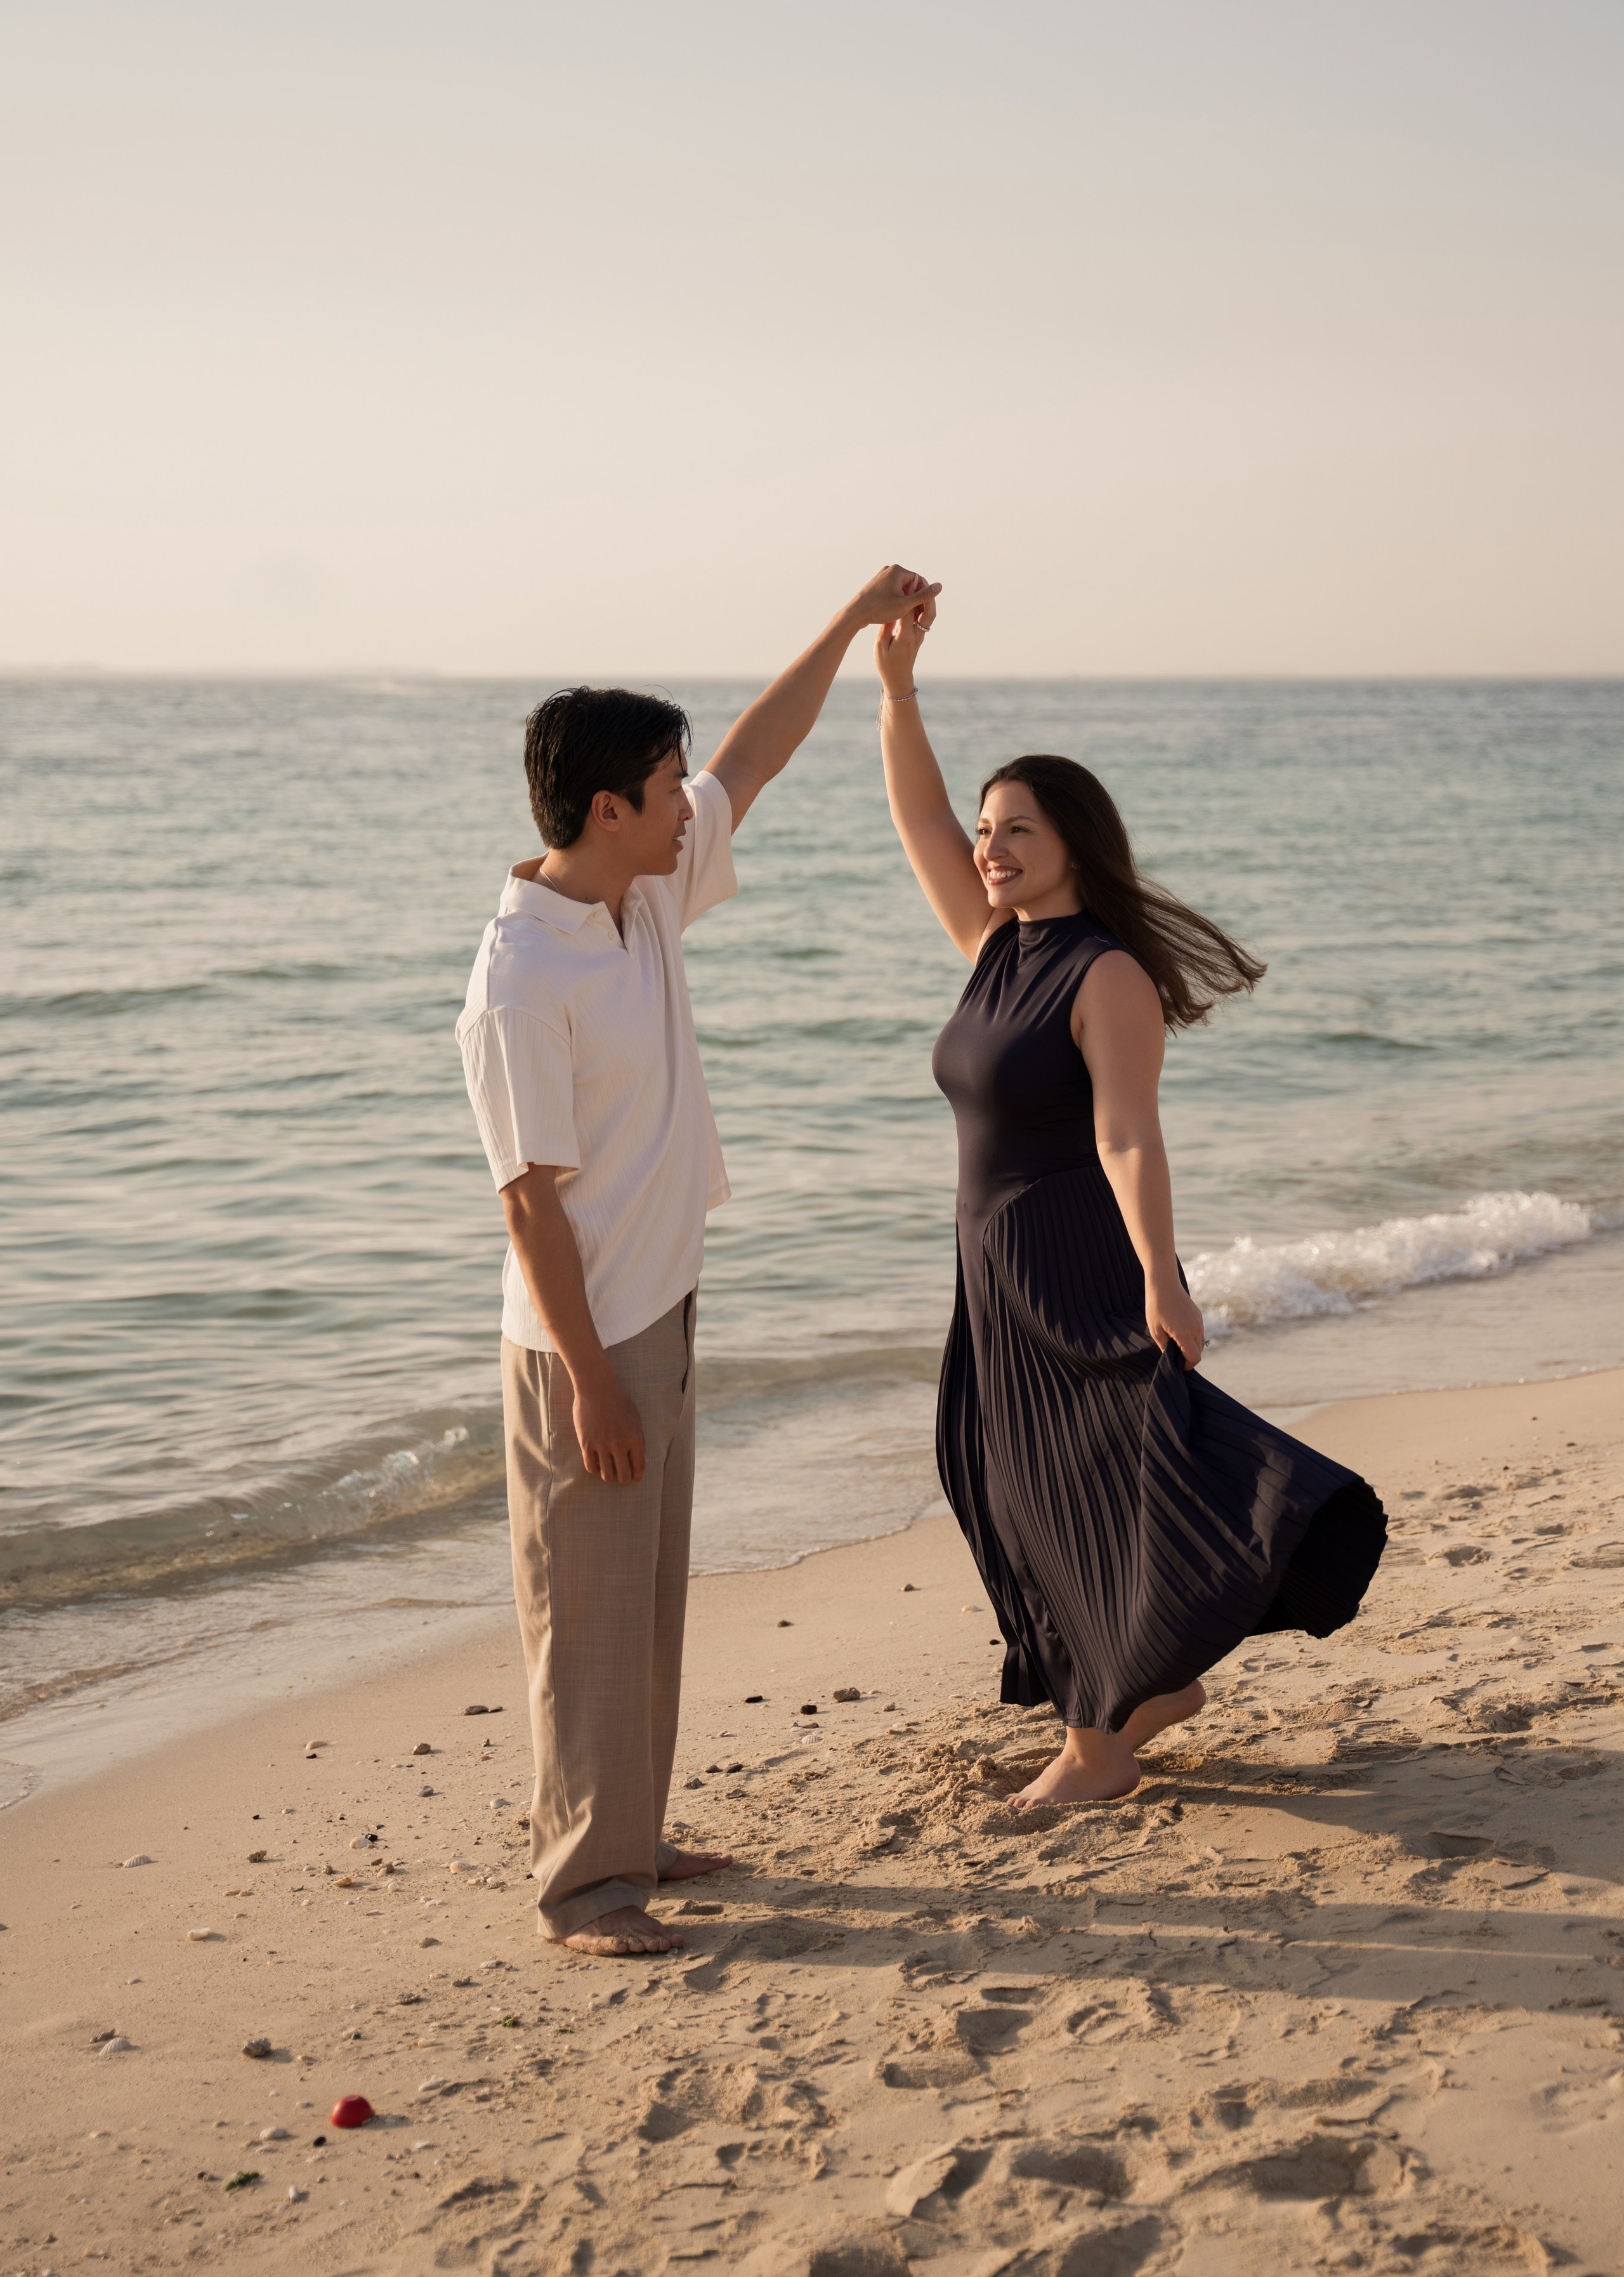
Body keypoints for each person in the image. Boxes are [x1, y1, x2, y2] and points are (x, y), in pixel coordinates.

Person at [456, 565, 941, 1955]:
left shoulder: (641, 897)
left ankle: (632, 1836)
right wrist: (598, 1380)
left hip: (658, 1308)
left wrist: (854, 629)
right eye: (665, 788)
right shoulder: (517, 982)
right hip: (579, 1342)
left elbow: (754, 752)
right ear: (607, 808)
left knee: (647, 1606)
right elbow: (529, 1208)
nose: (690, 803)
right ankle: (583, 1888)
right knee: (583, 1615)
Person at [874, 598, 1387, 1806]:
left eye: (1017, 829)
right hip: (992, 1268)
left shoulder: (1102, 970)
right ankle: (1144, 1689)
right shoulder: (995, 943)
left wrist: (1162, 1271)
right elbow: (917, 821)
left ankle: (1100, 1744)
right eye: (988, 829)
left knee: (1080, 1482)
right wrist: (896, 693)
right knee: (1002, 1477)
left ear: (1074, 840)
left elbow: (1125, 1131)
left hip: (1073, 1257)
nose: (990, 847)